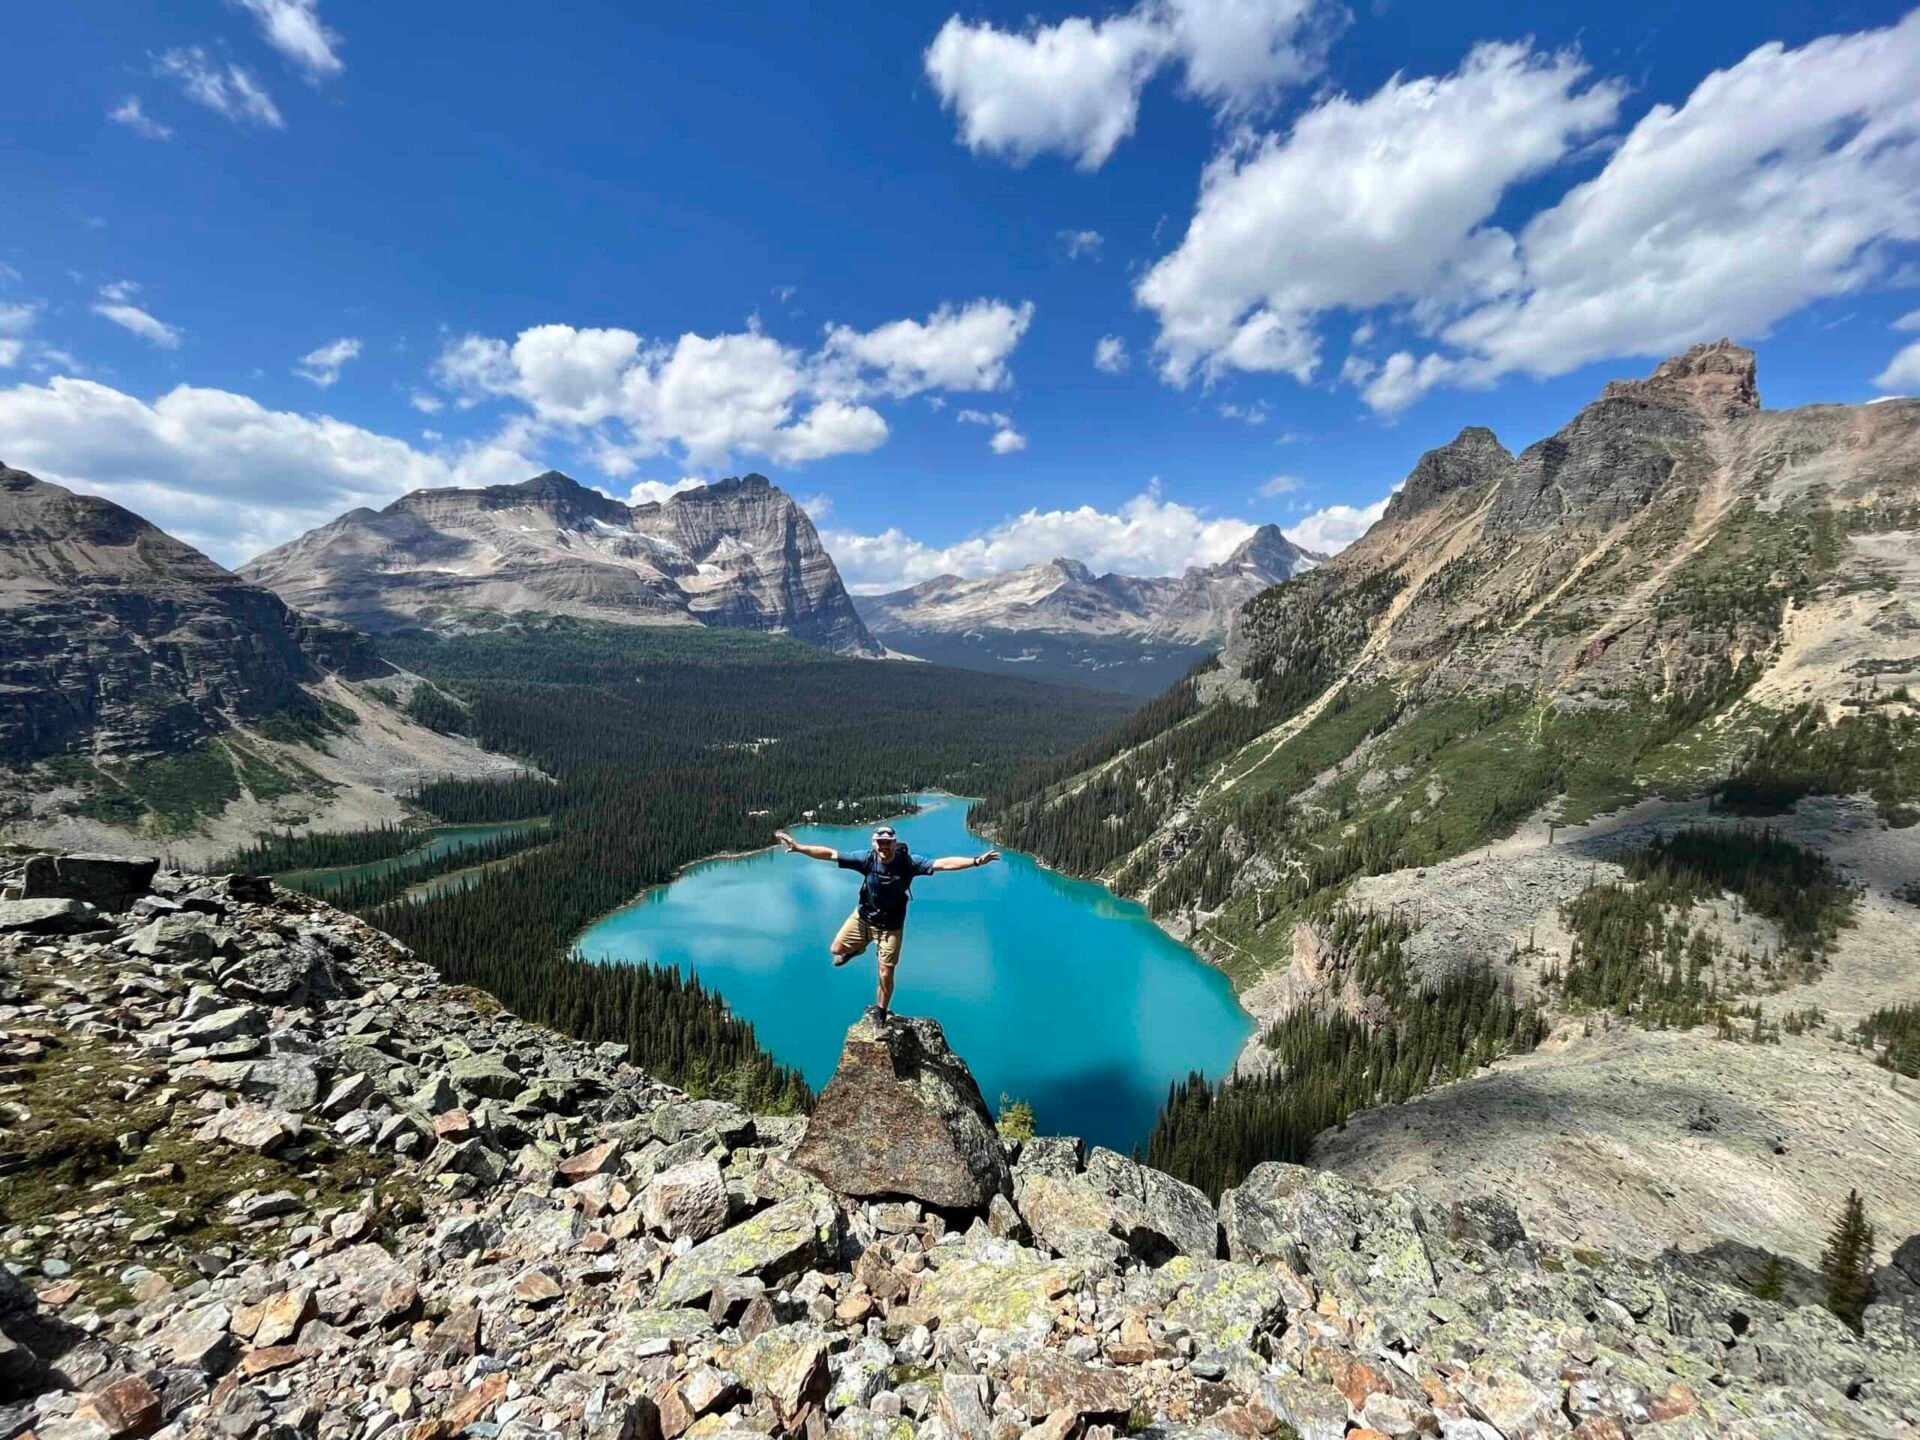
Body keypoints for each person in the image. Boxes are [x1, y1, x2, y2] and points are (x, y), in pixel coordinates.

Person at [774, 822, 999, 1020]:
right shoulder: (867, 859)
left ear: (894, 843)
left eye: (887, 842)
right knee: (836, 948)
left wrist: (976, 861)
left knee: (885, 974)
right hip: (863, 919)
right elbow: (831, 854)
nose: (884, 846)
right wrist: (800, 848)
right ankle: (857, 949)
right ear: (874, 844)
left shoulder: (908, 863)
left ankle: (881, 1014)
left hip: (890, 928)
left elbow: (942, 864)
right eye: (880, 842)